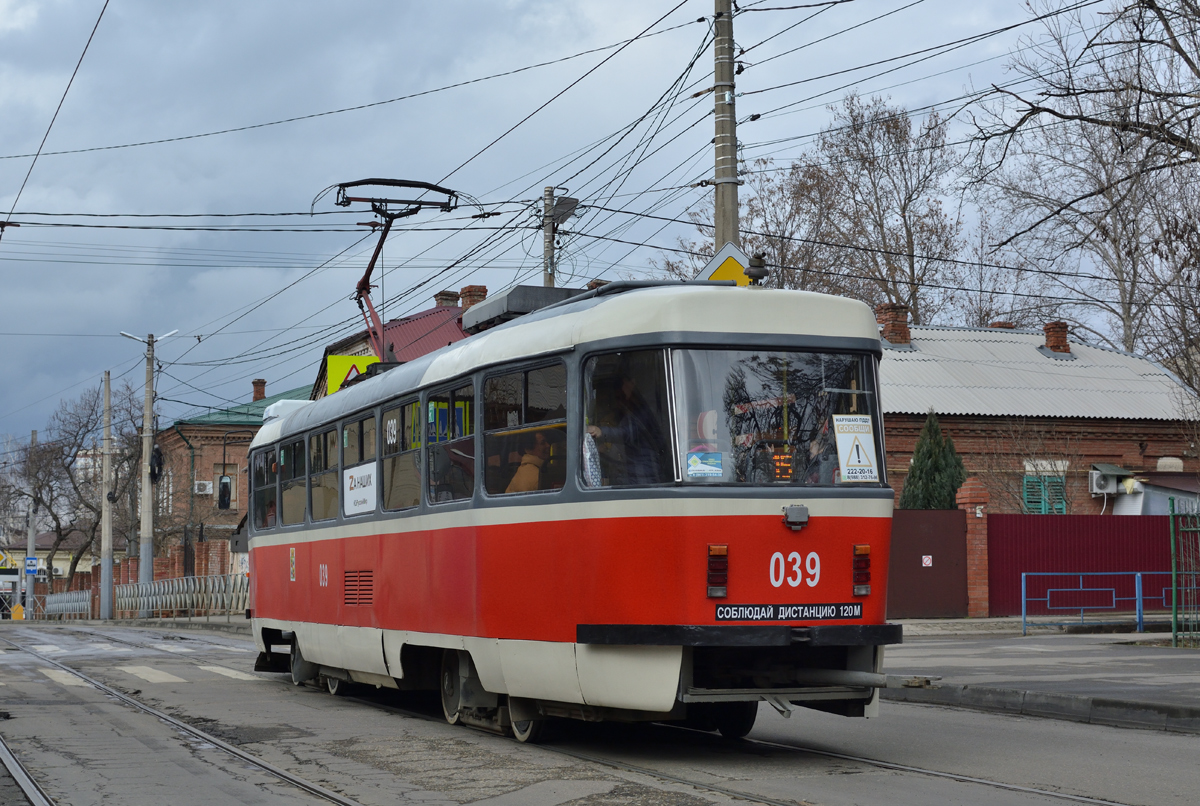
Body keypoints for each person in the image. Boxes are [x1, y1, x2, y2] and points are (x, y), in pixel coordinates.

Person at [585, 375, 667, 485]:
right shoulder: (631, 414)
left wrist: (600, 431)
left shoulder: (642, 412)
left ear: (632, 383)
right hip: (638, 474)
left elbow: (628, 433)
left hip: (643, 476)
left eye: (621, 397)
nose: (619, 403)